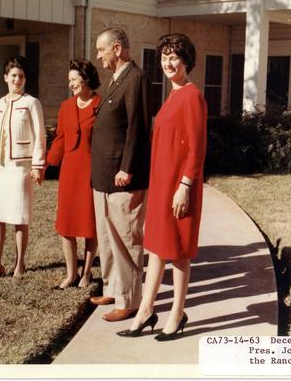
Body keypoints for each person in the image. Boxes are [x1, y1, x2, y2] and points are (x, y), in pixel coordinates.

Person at [117, 33, 207, 341]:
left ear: (186, 61)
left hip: (179, 187)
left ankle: (177, 313)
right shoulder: (172, 95)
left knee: (178, 251)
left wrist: (185, 185)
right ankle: (145, 311)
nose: (168, 64)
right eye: (164, 58)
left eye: (174, 58)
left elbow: (197, 148)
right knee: (156, 248)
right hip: (161, 186)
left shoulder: (192, 96)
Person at [90, 27, 152, 322]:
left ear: (116, 48)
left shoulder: (136, 78)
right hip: (105, 177)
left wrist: (127, 167)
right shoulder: (116, 78)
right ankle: (113, 289)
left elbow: (138, 128)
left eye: (101, 49)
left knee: (126, 240)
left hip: (123, 177)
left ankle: (129, 300)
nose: (98, 55)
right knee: (107, 239)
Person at [0, 56, 46, 281]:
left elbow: (40, 136)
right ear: (5, 78)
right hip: (1, 168)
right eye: (13, 76)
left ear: (25, 79)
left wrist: (37, 165)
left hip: (21, 168)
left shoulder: (31, 103)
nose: (17, 80)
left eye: (20, 76)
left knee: (20, 217)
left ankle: (20, 264)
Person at [46, 60, 101, 289]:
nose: (70, 84)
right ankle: (71, 274)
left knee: (90, 224)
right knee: (66, 223)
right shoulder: (66, 106)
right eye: (69, 80)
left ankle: (86, 272)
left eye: (73, 79)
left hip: (92, 171)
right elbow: (60, 139)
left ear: (86, 79)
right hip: (69, 171)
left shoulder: (101, 105)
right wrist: (46, 164)